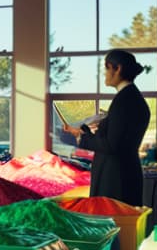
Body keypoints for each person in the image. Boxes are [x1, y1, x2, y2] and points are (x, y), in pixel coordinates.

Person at [63, 49, 151, 205]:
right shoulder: (132, 98)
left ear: (117, 69)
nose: (104, 74)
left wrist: (81, 137)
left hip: (115, 179)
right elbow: (117, 140)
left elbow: (111, 145)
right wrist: (86, 132)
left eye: (106, 68)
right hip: (124, 173)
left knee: (115, 225)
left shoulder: (124, 101)